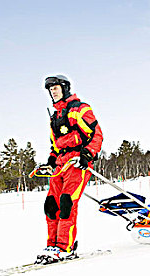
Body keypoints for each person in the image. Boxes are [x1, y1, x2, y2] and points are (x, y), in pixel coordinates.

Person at [35, 75, 103, 264]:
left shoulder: (80, 109)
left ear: (64, 88)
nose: (52, 92)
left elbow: (96, 134)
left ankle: (66, 247)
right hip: (60, 164)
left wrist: (87, 154)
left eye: (55, 88)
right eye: (50, 90)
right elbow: (55, 145)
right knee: (51, 204)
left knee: (67, 202)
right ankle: (53, 244)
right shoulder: (55, 117)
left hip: (77, 162)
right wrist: (50, 161)